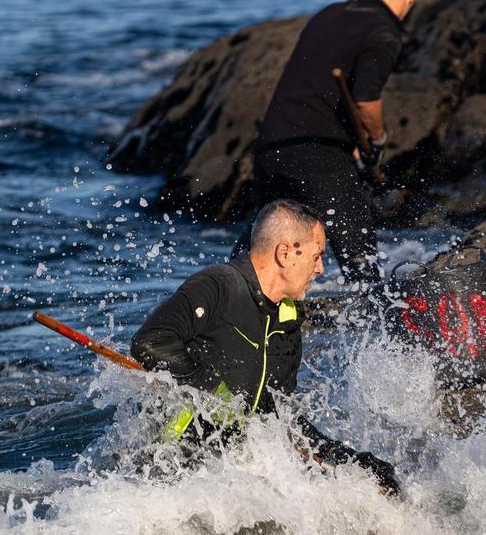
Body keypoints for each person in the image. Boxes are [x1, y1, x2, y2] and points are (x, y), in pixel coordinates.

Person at [131, 198, 399, 495]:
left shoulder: (287, 319)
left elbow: (278, 417)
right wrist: (215, 393)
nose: (321, 268)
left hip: (233, 480)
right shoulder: (219, 285)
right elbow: (151, 342)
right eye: (317, 255)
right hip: (167, 478)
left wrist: (349, 461)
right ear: (285, 252)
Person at [236, 0, 421, 285]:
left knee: (256, 260)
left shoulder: (330, 14)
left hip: (272, 150)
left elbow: (318, 88)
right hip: (319, 158)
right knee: (363, 268)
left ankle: (217, 313)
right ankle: (382, 331)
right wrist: (377, 139)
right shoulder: (384, 32)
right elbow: (365, 100)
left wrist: (351, 137)